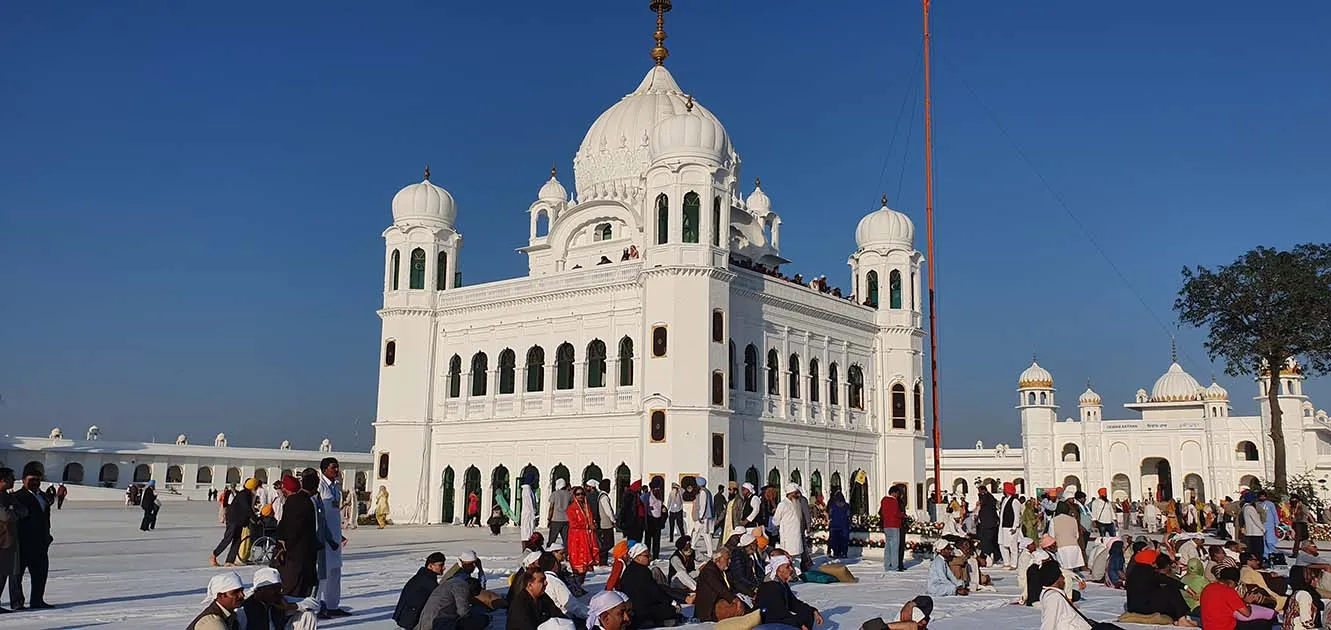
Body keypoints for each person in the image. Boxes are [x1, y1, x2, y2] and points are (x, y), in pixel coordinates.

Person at [12, 462, 53, 610]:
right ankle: (17, 602)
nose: (35, 482)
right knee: (17, 576)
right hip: (22, 542)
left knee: (40, 574)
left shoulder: (43, 496)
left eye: (37, 480)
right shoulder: (17, 497)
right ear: (23, 481)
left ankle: (37, 600)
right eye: (31, 480)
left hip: (40, 543)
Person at [618, 542, 684, 627]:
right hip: (641, 611)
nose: (650, 558)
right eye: (646, 556)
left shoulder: (631, 570)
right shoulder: (642, 571)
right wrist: (670, 602)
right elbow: (655, 591)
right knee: (671, 609)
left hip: (635, 610)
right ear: (637, 558)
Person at [417, 553, 489, 630]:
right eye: (472, 563)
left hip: (430, 621)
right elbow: (463, 612)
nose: (474, 565)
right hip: (436, 624)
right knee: (481, 619)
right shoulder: (461, 583)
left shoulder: (457, 581)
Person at [316, 457, 349, 616]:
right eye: (333, 468)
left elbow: (334, 514)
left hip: (335, 536)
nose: (336, 470)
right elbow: (320, 516)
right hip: (324, 537)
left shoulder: (335, 487)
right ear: (324, 469)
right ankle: (317, 606)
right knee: (323, 574)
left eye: (337, 467)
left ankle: (333, 606)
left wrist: (339, 535)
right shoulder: (320, 487)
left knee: (335, 572)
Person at [755, 554, 822, 629]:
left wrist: (813, 610)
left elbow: (793, 603)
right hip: (769, 622)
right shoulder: (770, 586)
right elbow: (779, 613)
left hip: (780, 618)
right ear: (779, 570)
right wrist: (800, 624)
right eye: (787, 567)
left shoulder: (781, 583)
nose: (791, 569)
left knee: (807, 613)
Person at [394, 552, 447, 630]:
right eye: (440, 565)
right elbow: (442, 596)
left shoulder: (423, 576)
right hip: (410, 620)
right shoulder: (427, 580)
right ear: (430, 566)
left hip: (406, 617)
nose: (444, 568)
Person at [694, 546, 745, 622]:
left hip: (720, 601)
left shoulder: (724, 569)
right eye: (727, 559)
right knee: (735, 607)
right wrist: (734, 599)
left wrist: (751, 594)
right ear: (718, 560)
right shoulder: (709, 571)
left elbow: (735, 583)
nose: (730, 561)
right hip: (709, 608)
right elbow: (720, 589)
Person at [213, 478, 256, 567]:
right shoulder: (244, 494)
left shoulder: (246, 494)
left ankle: (229, 561)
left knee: (237, 540)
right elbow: (247, 508)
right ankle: (214, 556)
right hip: (233, 520)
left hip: (238, 520)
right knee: (228, 538)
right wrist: (255, 519)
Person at [565, 484, 598, 590]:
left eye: (582, 494)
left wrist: (593, 525)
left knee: (586, 563)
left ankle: (579, 585)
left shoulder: (587, 507)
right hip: (577, 538)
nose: (580, 496)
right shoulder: (571, 508)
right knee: (577, 561)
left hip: (587, 537)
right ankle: (576, 585)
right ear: (574, 496)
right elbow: (573, 524)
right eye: (578, 494)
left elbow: (591, 519)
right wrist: (588, 526)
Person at [773, 484, 805, 560]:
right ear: (790, 493)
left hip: (797, 537)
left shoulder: (797, 503)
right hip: (787, 537)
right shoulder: (782, 504)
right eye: (795, 493)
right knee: (788, 558)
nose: (798, 495)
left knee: (797, 559)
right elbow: (776, 521)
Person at [879, 487, 903, 572]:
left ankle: (887, 565)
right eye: (897, 493)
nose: (898, 495)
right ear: (894, 493)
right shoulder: (894, 501)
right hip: (894, 525)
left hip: (886, 525)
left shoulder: (884, 500)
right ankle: (894, 566)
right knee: (894, 548)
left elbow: (882, 512)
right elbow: (896, 513)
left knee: (888, 547)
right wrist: (903, 515)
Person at [690, 477, 715, 558]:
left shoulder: (703, 492)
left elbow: (702, 505)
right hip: (705, 517)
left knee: (698, 533)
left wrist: (701, 516)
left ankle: (692, 548)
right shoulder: (706, 491)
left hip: (703, 518)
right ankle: (708, 552)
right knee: (702, 534)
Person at [591, 480, 615, 566]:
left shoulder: (601, 495)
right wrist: (613, 520)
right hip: (606, 523)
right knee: (609, 543)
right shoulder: (604, 497)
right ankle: (601, 559)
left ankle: (603, 560)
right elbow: (608, 510)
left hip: (605, 523)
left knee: (606, 543)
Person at [825, 490, 850, 560]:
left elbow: (829, 514)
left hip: (834, 525)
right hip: (844, 525)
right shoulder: (846, 506)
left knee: (835, 541)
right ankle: (844, 553)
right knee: (844, 540)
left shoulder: (833, 505)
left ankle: (836, 553)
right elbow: (848, 514)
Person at [547, 479, 572, 546]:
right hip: (566, 520)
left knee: (552, 540)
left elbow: (551, 507)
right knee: (566, 540)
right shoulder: (569, 494)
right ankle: (567, 554)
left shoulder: (554, 494)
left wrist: (549, 518)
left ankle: (548, 553)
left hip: (555, 519)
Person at [1241, 496, 1265, 565]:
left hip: (1249, 532)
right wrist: (1262, 528)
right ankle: (1259, 563)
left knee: (1252, 550)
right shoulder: (1250, 508)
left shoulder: (1244, 508)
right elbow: (1256, 520)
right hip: (1256, 532)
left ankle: (1253, 563)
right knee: (1259, 551)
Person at [519, 479, 536, 545]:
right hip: (528, 513)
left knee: (527, 531)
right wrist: (533, 513)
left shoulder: (528, 489)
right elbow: (529, 503)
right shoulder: (527, 490)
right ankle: (527, 546)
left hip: (528, 513)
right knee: (527, 531)